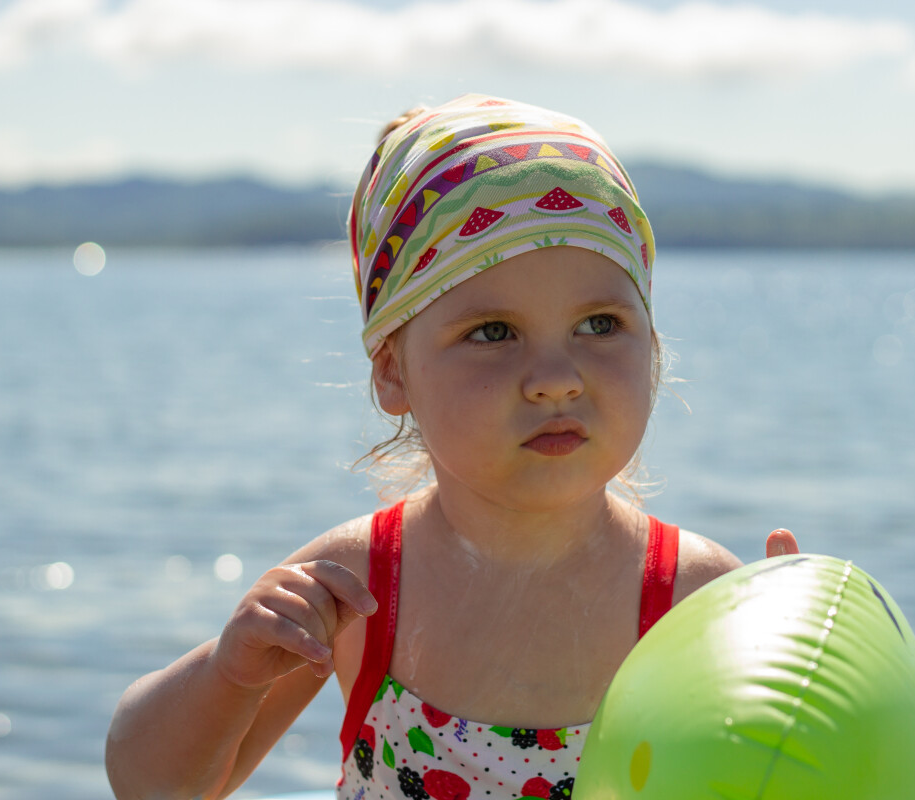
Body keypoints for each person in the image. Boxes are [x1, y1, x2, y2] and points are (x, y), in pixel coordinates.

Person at [105, 94, 799, 800]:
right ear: (393, 371)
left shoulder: (695, 601)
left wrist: (802, 691)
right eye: (493, 333)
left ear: (650, 344)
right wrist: (229, 674)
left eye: (599, 323)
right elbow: (152, 784)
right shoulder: (359, 588)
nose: (556, 380)